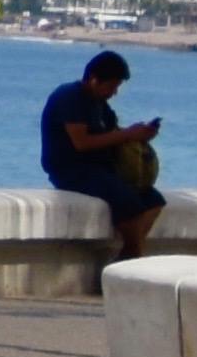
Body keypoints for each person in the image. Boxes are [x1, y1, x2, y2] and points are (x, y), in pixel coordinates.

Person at [40, 50, 162, 265]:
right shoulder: (69, 97)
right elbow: (82, 142)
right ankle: (134, 257)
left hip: (100, 168)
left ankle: (129, 254)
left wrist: (139, 135)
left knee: (153, 199)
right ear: (95, 80)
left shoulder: (100, 106)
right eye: (112, 86)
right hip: (71, 169)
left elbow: (111, 134)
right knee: (129, 203)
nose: (114, 93)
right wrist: (128, 134)